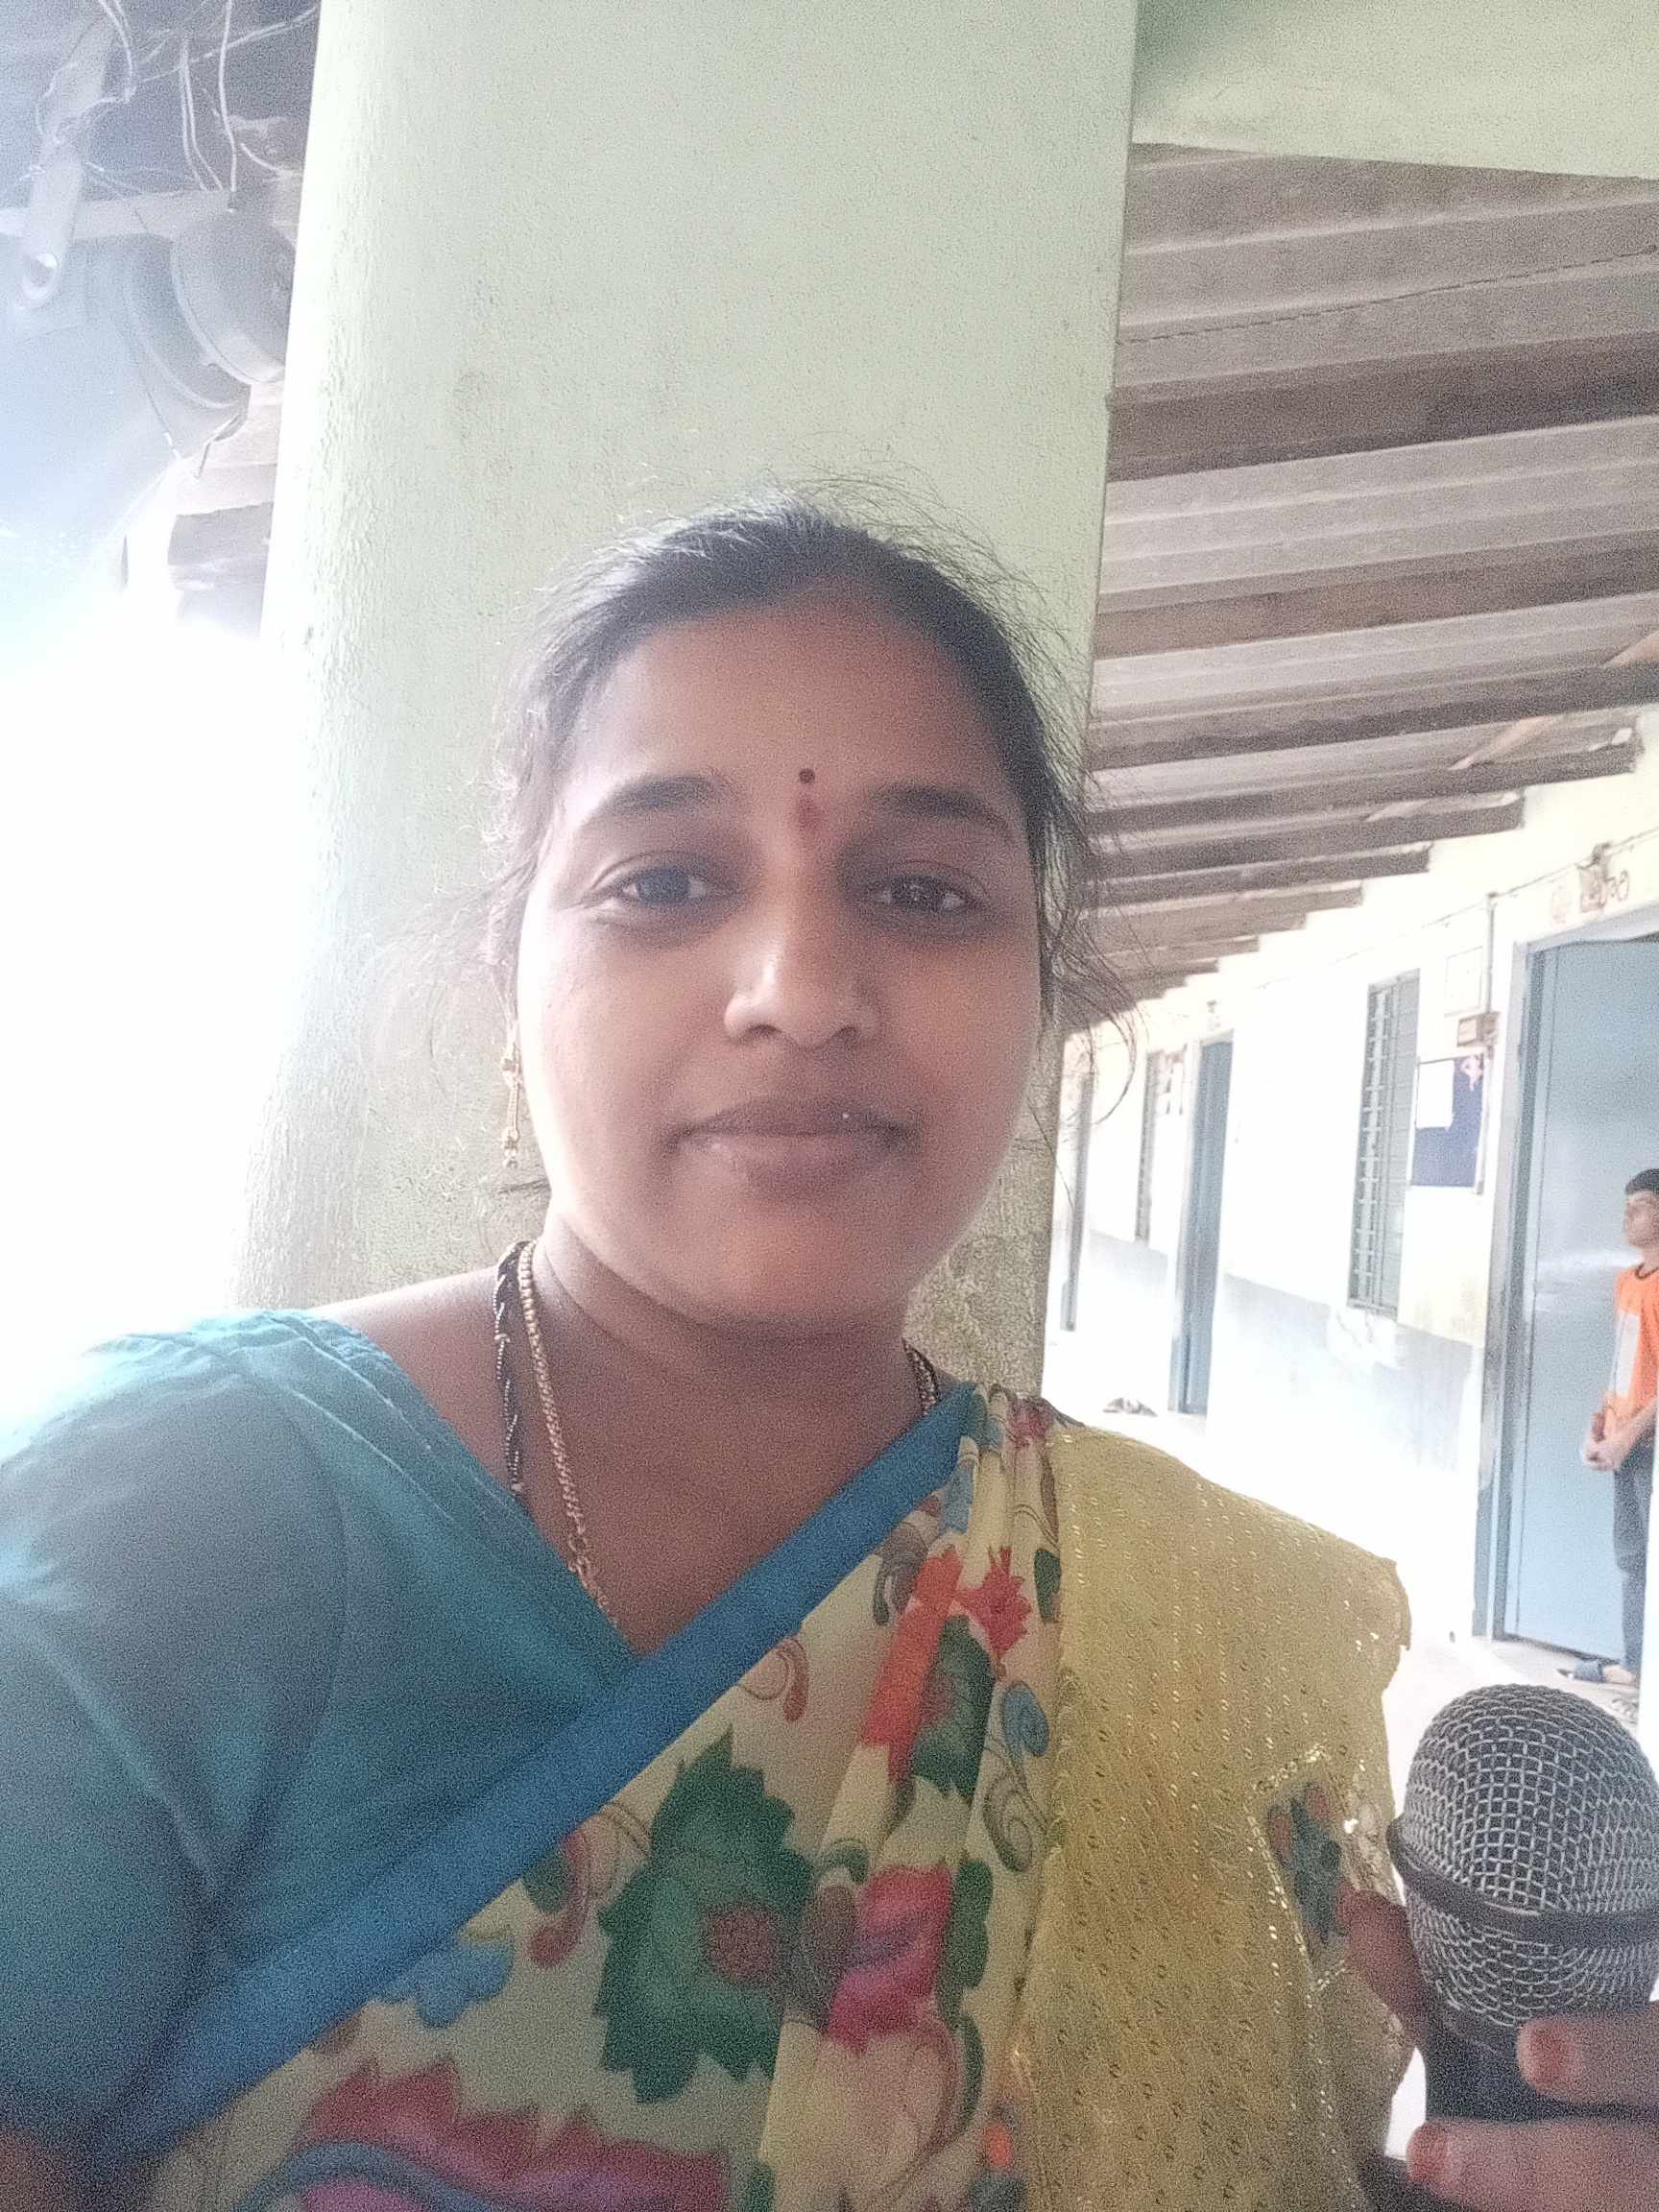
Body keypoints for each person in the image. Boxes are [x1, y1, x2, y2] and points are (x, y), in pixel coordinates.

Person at [1, 500, 1655, 2212]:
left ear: (1040, 990)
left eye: (920, 890)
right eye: (663, 882)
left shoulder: (1187, 1618)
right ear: (512, 975)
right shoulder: (164, 1528)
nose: (798, 987)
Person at [1573, 1170, 1659, 1691]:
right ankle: (1634, 1665)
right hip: (1626, 1442)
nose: (1628, 1216)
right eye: (1626, 1205)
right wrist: (1600, 1427)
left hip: (1648, 1445)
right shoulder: (1627, 1281)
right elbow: (1624, 1366)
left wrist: (1630, 1436)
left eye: (1641, 1205)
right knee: (1631, 1557)